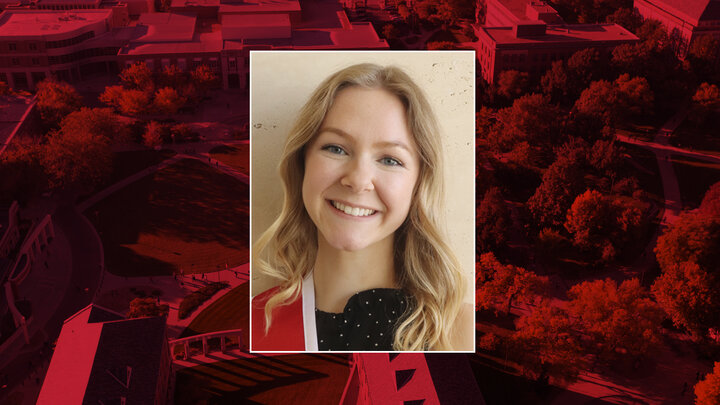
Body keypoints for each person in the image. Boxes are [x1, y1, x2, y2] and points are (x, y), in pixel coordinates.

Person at [252, 63, 472, 351]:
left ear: (419, 185)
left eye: (390, 160)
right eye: (336, 148)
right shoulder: (254, 324)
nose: (357, 180)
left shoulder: (460, 330)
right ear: (302, 162)